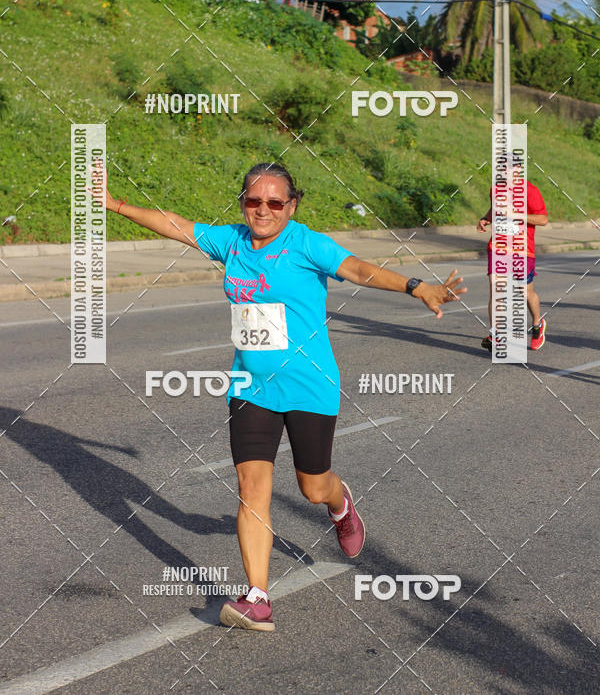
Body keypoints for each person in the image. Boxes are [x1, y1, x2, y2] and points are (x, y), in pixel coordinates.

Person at [97, 161, 466, 631]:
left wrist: (417, 287)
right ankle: (258, 597)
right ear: (243, 203)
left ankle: (340, 505)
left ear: (292, 205)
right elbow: (174, 224)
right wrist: (115, 205)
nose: (263, 210)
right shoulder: (229, 241)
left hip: (310, 386)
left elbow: (355, 267)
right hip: (251, 386)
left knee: (313, 485)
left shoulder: (305, 243)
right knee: (252, 488)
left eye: (275, 202)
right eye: (254, 201)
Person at [477, 170, 548, 352]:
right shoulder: (496, 189)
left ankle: (537, 325)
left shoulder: (530, 191)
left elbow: (543, 219)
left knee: (525, 293)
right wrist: (486, 219)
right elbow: (495, 208)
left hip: (522, 250)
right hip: (498, 247)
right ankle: (496, 335)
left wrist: (515, 214)